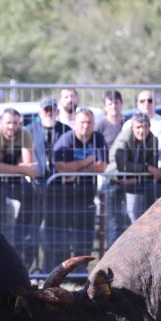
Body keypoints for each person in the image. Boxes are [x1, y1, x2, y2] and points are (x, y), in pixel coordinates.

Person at [48, 107, 107, 267]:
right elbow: (60, 166)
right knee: (65, 236)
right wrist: (87, 161)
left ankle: (80, 273)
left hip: (87, 195)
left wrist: (76, 169)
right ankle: (63, 271)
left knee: (85, 236)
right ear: (75, 123)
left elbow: (101, 166)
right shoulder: (67, 139)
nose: (85, 126)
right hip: (65, 196)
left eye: (89, 122)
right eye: (82, 122)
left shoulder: (98, 138)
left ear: (94, 123)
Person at [0, 108, 39, 268]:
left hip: (15, 182)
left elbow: (30, 164)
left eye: (15, 123)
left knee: (32, 198)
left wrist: (15, 168)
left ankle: (22, 244)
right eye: (8, 123)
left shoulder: (25, 134)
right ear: (1, 123)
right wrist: (20, 168)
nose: (11, 127)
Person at [107, 112, 161, 244]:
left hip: (138, 183)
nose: (141, 131)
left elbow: (153, 168)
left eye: (145, 127)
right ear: (132, 128)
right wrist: (145, 168)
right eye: (138, 127)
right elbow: (122, 165)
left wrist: (138, 178)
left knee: (138, 218)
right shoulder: (124, 138)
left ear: (149, 127)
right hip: (116, 180)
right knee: (115, 222)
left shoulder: (153, 140)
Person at [27, 97, 66, 184]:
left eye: (52, 110)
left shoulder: (66, 131)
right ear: (40, 113)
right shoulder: (29, 131)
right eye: (46, 110)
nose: (49, 113)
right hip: (36, 179)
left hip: (60, 179)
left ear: (57, 112)